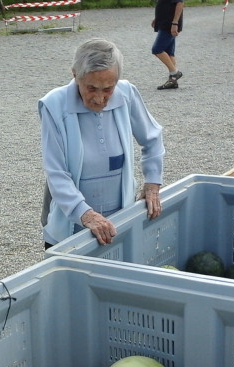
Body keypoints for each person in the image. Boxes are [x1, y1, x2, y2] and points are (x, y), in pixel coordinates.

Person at [39, 38, 165, 249]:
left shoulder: (127, 94)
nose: (99, 98)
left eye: (108, 89)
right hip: (71, 228)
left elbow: (152, 138)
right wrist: (86, 215)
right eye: (91, 88)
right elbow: (56, 171)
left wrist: (152, 183)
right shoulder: (54, 105)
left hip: (118, 224)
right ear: (75, 75)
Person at [151, 0, 184, 90]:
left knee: (157, 49)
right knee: (169, 52)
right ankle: (173, 81)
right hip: (164, 22)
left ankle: (175, 73)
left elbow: (180, 3)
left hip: (170, 24)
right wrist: (157, 18)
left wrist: (175, 23)